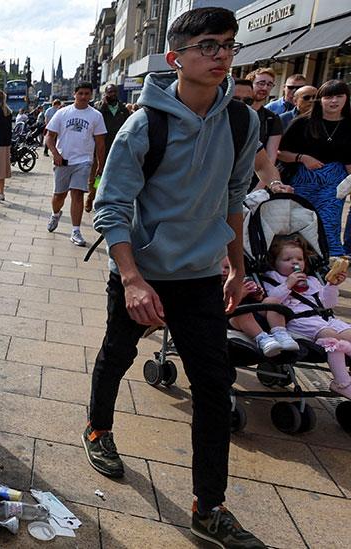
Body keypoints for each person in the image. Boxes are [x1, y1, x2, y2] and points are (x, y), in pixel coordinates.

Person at [89, 7, 265, 548]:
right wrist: (133, 278)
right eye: (207, 46)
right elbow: (111, 206)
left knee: (215, 387)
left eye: (227, 46)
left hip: (199, 278)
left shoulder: (242, 120)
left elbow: (234, 198)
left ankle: (208, 507)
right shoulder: (146, 125)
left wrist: (237, 265)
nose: (220, 56)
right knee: (118, 353)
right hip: (144, 273)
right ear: (176, 58)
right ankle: (99, 429)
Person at [262, 235, 351, 398]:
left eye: (299, 259)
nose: (295, 263)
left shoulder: (311, 280)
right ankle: (341, 383)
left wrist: (331, 285)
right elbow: (270, 302)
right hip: (299, 321)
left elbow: (327, 304)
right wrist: (287, 285)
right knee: (331, 337)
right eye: (287, 259)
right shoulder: (272, 278)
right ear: (275, 262)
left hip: (323, 318)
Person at [278, 80, 351, 255]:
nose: (334, 101)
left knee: (328, 223)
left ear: (346, 99)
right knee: (299, 223)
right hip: (302, 179)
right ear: (320, 99)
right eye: (328, 97)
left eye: (339, 96)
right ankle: (296, 261)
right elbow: (280, 152)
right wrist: (302, 158)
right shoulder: (302, 123)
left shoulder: (349, 125)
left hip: (334, 183)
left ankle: (328, 263)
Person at [44, 82, 107, 246]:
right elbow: (49, 137)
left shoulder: (96, 116)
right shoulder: (62, 113)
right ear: (75, 94)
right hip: (63, 160)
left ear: (91, 95)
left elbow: (100, 142)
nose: (84, 97)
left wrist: (101, 164)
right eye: (81, 93)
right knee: (59, 195)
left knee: (78, 194)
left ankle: (76, 230)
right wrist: (55, 154)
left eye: (87, 94)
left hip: (84, 161)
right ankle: (55, 214)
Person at [221, 258, 299, 357]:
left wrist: (257, 295)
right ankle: (263, 340)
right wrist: (240, 294)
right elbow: (221, 308)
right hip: (234, 319)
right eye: (219, 268)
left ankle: (281, 334)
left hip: (257, 316)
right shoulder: (214, 287)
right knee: (244, 312)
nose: (223, 271)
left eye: (228, 268)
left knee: (272, 301)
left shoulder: (242, 281)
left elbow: (258, 302)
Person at [233, 79, 293, 193]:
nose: (241, 105)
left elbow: (262, 165)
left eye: (247, 101)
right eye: (235, 100)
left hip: (234, 200)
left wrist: (275, 184)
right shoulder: (203, 125)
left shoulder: (247, 130)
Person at [91, 83, 130, 211]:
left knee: (113, 176)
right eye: (109, 92)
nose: (112, 94)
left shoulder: (123, 109)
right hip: (101, 147)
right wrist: (103, 105)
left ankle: (105, 200)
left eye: (114, 92)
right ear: (105, 94)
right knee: (98, 173)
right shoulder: (99, 109)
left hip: (117, 148)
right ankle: (93, 195)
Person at [245, 68, 283, 163]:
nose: (265, 88)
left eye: (269, 84)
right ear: (250, 84)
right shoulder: (235, 111)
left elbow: (271, 156)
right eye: (261, 83)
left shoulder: (272, 119)